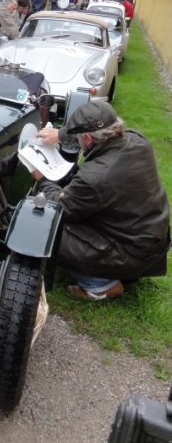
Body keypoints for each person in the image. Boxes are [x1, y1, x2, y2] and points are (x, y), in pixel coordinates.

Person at [34, 101, 170, 300]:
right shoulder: (137, 140)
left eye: (79, 138)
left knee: (47, 225)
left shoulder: (95, 177)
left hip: (130, 252)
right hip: (149, 241)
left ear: (87, 139)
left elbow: (61, 208)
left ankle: (100, 285)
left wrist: (44, 179)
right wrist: (61, 135)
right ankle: (117, 271)